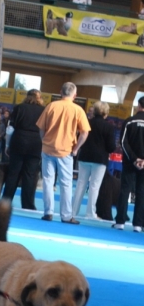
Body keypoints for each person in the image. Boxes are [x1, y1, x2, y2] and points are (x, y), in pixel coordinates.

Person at [36, 82, 90, 224]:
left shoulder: (51, 106)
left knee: (48, 181)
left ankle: (48, 212)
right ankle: (66, 216)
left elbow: (41, 128)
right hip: (66, 151)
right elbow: (84, 133)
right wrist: (76, 148)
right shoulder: (78, 110)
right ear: (75, 95)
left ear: (61, 92)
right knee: (65, 183)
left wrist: (44, 141)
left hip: (48, 148)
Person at [72, 101, 115, 219]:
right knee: (94, 186)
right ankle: (90, 213)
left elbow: (78, 138)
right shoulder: (109, 127)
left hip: (85, 156)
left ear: (94, 111)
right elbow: (111, 147)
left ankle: (73, 211)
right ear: (106, 113)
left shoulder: (87, 123)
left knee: (80, 183)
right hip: (100, 159)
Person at [2, 89, 44, 209]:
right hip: (36, 142)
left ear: (27, 96)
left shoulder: (19, 108)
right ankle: (28, 204)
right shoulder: (44, 110)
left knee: (13, 173)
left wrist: (7, 145)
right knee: (30, 175)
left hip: (19, 141)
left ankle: (5, 201)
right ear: (39, 97)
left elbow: (10, 128)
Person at [112, 97, 144, 232]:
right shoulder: (130, 121)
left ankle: (120, 221)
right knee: (142, 192)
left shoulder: (130, 121)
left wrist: (134, 159)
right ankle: (138, 224)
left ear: (138, 105)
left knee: (125, 190)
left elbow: (123, 142)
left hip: (130, 163)